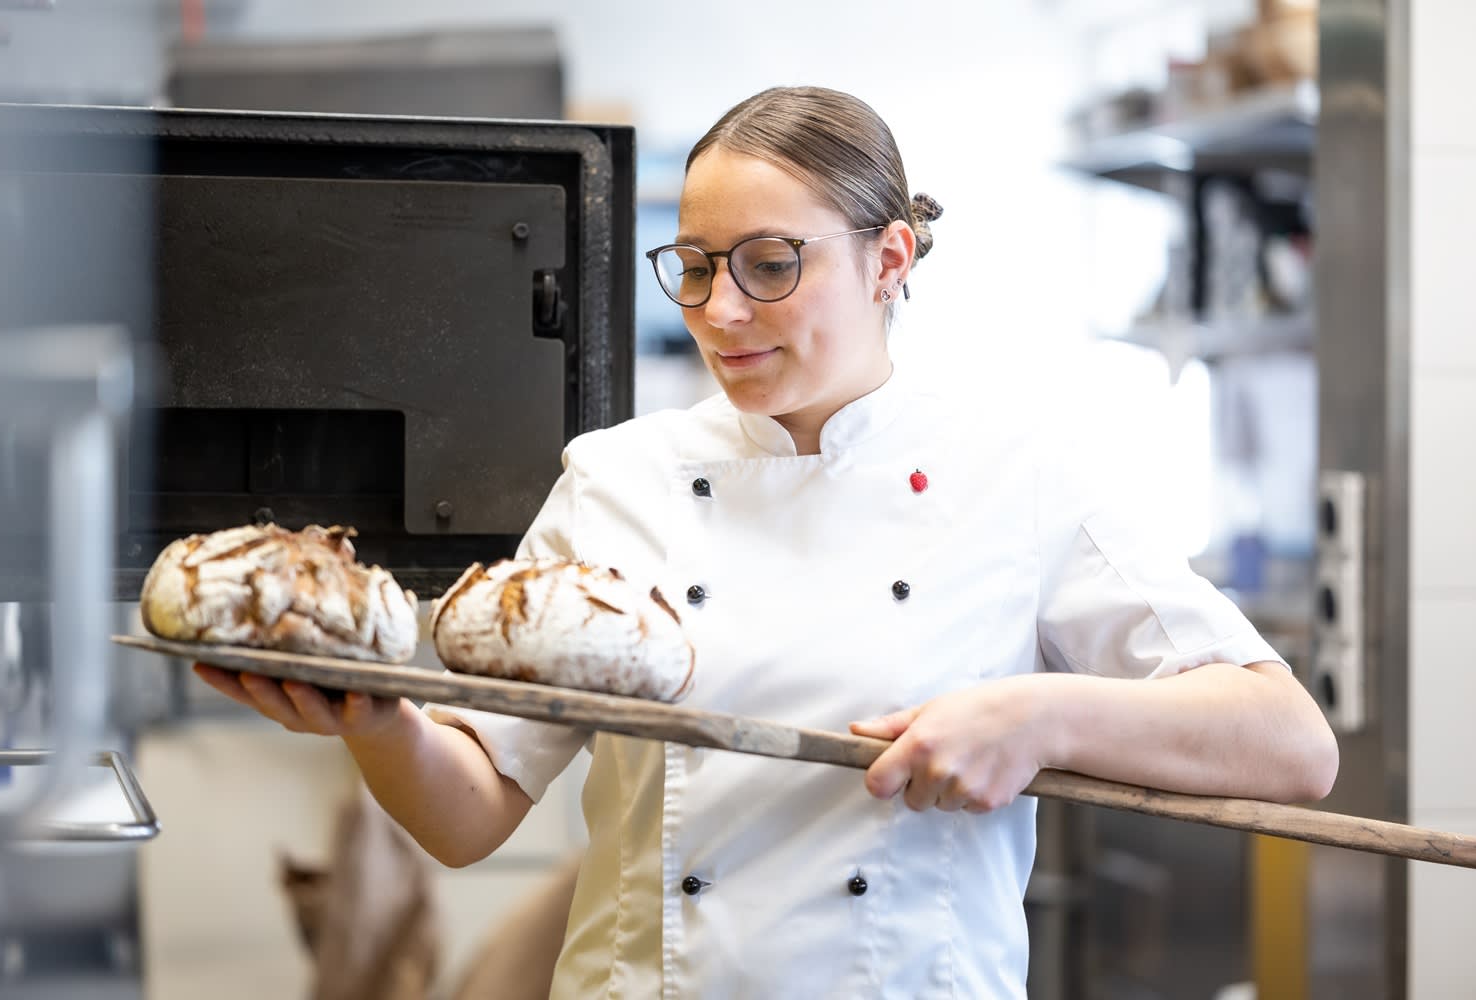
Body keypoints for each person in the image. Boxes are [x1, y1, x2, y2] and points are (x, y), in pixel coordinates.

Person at [196, 85, 1338, 998]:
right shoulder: (617, 478)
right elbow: (467, 814)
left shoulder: (1020, 474)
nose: (720, 310)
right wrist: (373, 715)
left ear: (889, 260)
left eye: (770, 265)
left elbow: (1290, 745)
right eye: (694, 264)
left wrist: (1036, 715)